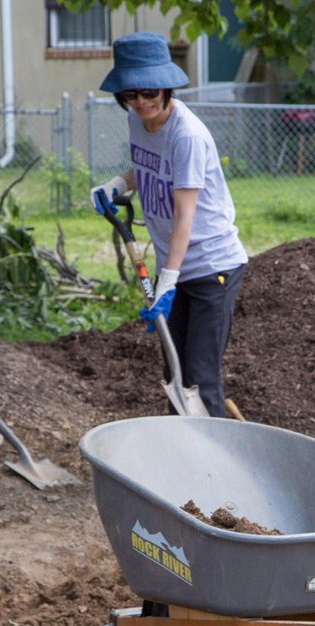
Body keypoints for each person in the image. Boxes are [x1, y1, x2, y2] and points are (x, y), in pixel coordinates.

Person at [90, 32, 248, 418]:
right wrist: (118, 183)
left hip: (212, 268)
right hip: (175, 270)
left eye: (149, 92)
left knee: (199, 380)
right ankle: (182, 461)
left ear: (165, 87)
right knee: (173, 376)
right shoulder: (137, 120)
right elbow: (146, 166)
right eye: (131, 93)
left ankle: (218, 469)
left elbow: (185, 214)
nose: (141, 101)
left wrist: (169, 278)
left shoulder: (187, 136)